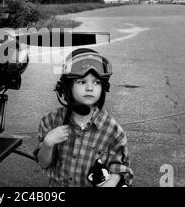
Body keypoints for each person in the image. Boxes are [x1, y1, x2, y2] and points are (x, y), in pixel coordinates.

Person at [33, 48, 133, 187]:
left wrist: (113, 180)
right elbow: (43, 163)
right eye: (82, 81)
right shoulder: (51, 121)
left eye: (96, 82)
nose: (90, 88)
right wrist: (48, 143)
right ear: (67, 86)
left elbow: (120, 168)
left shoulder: (112, 130)